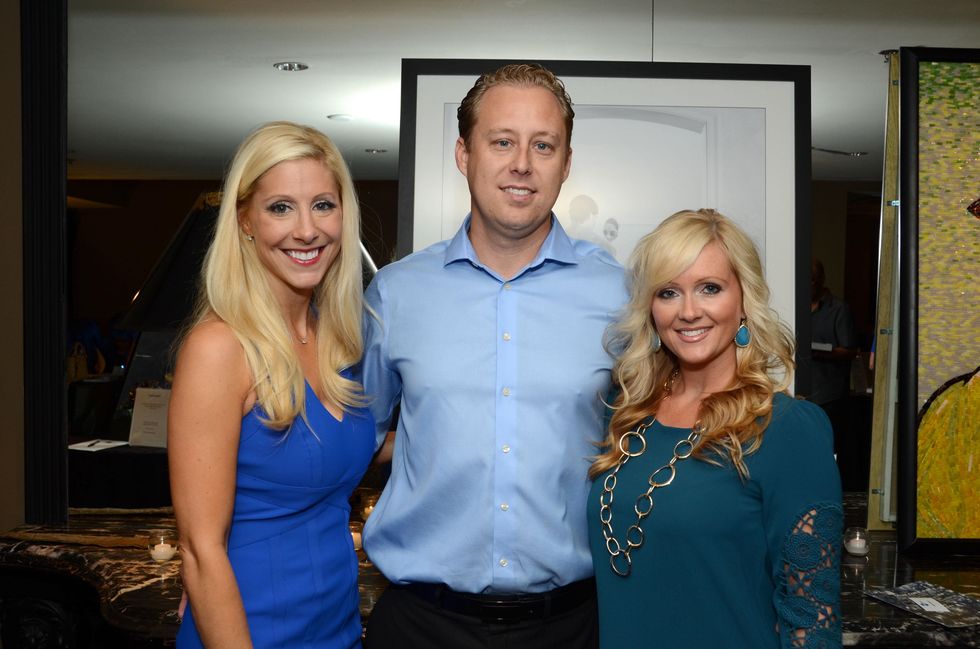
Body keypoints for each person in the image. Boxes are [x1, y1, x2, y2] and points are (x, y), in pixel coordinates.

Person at [359, 63, 628, 648]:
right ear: (463, 154)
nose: (522, 164)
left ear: (566, 161)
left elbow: (655, 442)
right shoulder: (395, 295)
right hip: (420, 626)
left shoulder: (621, 294)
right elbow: (351, 447)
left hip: (574, 626)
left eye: (543, 145)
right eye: (501, 141)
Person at [588, 209, 842, 648]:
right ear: (650, 307)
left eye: (710, 288)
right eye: (668, 292)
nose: (688, 311)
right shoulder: (627, 413)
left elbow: (811, 617)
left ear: (743, 299)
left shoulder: (786, 429)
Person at [169, 121, 375, 649]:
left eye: (323, 205)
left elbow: (326, 458)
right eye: (281, 207)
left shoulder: (336, 339)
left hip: (337, 627)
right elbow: (200, 549)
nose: (307, 230)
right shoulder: (220, 348)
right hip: (251, 630)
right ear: (245, 221)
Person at [809, 257, 859, 456]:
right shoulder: (795, 305)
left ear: (821, 279)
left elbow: (851, 351)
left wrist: (821, 352)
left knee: (826, 449)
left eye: (813, 279)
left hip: (829, 395)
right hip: (802, 392)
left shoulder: (838, 309)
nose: (809, 284)